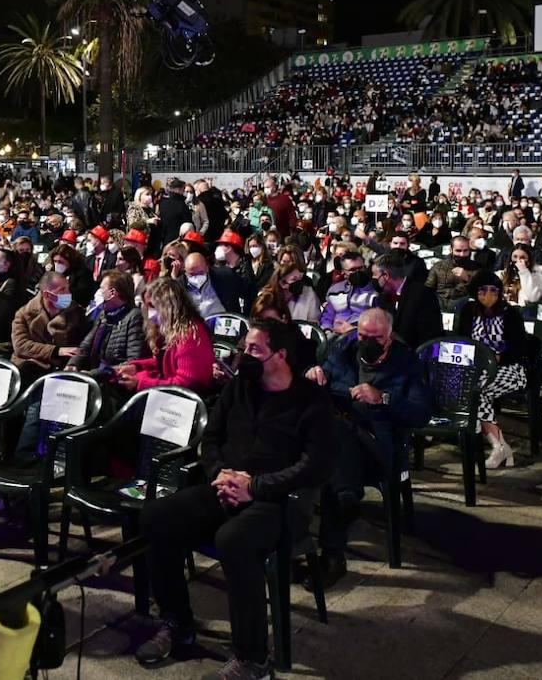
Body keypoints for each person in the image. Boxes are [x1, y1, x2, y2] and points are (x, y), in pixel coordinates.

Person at [136, 318, 336, 678]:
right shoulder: (239, 387)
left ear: (280, 355)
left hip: (279, 500)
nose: (244, 355)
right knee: (156, 517)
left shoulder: (311, 400)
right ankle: (177, 623)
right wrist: (220, 474)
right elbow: (211, 439)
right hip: (225, 486)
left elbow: (314, 466)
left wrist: (255, 486)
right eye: (244, 347)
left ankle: (253, 657)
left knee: (234, 540)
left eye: (254, 349)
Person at [305, 308, 431, 588]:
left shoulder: (406, 363)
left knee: (333, 456)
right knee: (335, 449)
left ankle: (332, 556)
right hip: (341, 442)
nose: (368, 342)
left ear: (389, 337)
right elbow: (322, 381)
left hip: (379, 444)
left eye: (376, 338)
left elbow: (421, 414)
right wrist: (313, 373)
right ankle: (345, 500)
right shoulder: (344, 351)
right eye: (363, 336)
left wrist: (382, 398)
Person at [454, 271, 530, 469]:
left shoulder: (510, 313)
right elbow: (462, 341)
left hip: (509, 369)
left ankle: (497, 446)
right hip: (476, 369)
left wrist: (497, 357)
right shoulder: (468, 311)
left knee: (477, 392)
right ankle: (500, 446)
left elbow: (519, 349)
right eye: (483, 290)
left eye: (493, 290)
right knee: (468, 389)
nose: (488, 294)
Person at [112, 277, 214, 395]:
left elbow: (188, 384)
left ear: (170, 306)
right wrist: (136, 368)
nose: (150, 315)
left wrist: (141, 383)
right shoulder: (172, 330)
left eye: (153, 306)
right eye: (148, 307)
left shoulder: (190, 334)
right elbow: (164, 363)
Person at [10, 271, 90, 387]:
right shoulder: (24, 314)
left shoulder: (76, 313)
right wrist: (55, 351)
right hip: (29, 365)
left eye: (68, 288)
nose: (68, 294)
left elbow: (81, 345)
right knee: (26, 370)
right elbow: (21, 346)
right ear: (47, 295)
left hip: (61, 367)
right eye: (62, 290)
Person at [70, 271, 148, 376]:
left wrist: (95, 374)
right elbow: (86, 345)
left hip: (114, 378)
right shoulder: (104, 314)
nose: (99, 292)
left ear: (112, 293)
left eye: (102, 289)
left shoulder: (134, 317)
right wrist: (73, 364)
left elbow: (133, 361)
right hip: (93, 373)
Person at [376, 251, 443, 349]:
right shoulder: (383, 298)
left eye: (375, 275)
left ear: (386, 275)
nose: (373, 278)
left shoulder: (423, 295)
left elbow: (429, 335)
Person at [320, 250, 379, 335]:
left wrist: (355, 331)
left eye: (360, 268)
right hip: (334, 335)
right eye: (352, 270)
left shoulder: (375, 291)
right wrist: (327, 329)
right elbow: (328, 315)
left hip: (362, 335)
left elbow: (379, 321)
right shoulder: (335, 290)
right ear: (343, 272)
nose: (357, 272)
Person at [426, 235, 476, 311]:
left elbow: (479, 291)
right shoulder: (438, 266)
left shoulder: (476, 267)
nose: (462, 254)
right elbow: (428, 288)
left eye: (465, 251)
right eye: (458, 251)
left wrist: (467, 278)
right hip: (439, 305)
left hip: (462, 307)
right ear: (451, 249)